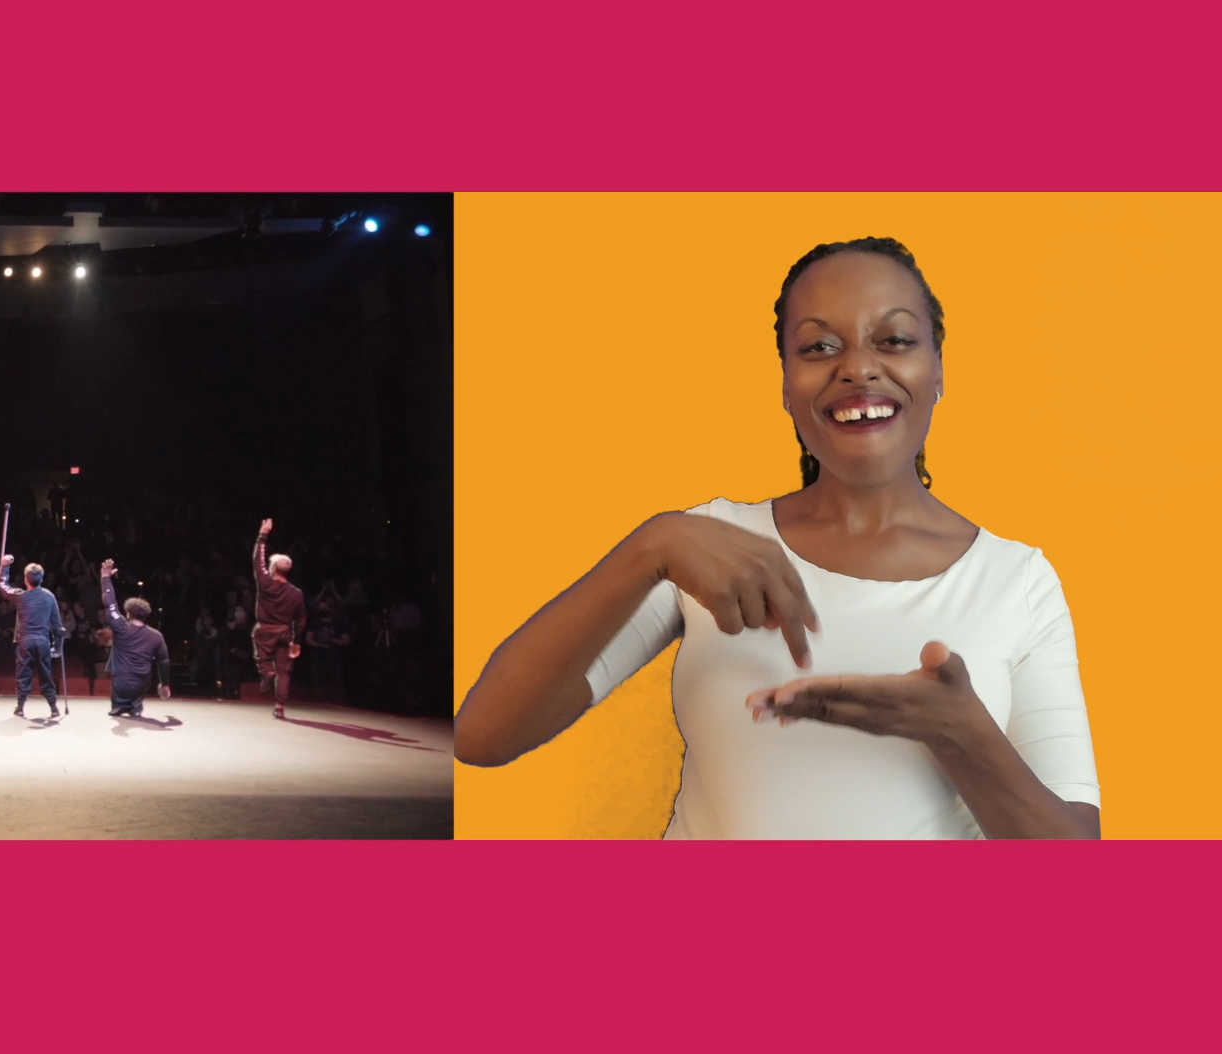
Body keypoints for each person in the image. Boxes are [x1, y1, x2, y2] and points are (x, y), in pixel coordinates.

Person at [455, 237, 1100, 840]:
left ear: (938, 371)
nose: (858, 369)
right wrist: (648, 548)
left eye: (895, 339)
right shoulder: (708, 545)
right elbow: (483, 737)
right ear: (786, 386)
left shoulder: (1016, 581)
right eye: (819, 348)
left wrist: (959, 736)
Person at [98, 559, 172, 717]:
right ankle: (135, 706)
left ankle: (118, 705)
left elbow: (109, 603)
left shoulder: (121, 627)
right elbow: (164, 662)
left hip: (121, 683)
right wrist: (164, 684)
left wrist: (105, 578)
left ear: (128, 614)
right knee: (140, 679)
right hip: (141, 685)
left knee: (120, 673)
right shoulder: (156, 636)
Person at [0, 554, 66, 717]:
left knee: (24, 674)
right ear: (41, 579)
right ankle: (53, 708)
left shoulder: (21, 596)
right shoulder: (49, 596)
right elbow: (58, 626)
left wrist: (5, 566)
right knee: (46, 674)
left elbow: (2, 586)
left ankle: (20, 707)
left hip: (25, 641)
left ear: (25, 579)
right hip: (42, 642)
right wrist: (58, 648)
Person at [252, 518, 306, 719]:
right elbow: (300, 620)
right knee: (284, 670)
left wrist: (263, 535)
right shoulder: (296, 593)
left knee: (264, 660)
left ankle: (266, 673)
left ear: (273, 569)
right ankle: (280, 706)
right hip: (285, 632)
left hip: (265, 629)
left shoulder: (266, 583)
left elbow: (258, 560)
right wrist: (297, 642)